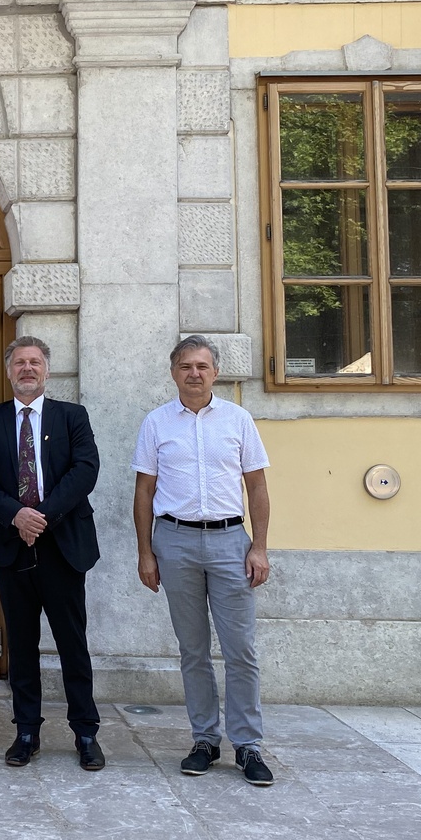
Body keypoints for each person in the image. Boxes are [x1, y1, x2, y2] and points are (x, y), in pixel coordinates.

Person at [132, 335, 274, 787]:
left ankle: (248, 745)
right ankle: (205, 741)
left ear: (215, 372)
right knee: (193, 650)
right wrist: (145, 552)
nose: (194, 373)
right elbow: (144, 492)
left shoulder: (239, 419)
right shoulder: (156, 423)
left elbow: (257, 487)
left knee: (241, 650)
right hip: (175, 542)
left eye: (202, 366)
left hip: (231, 541)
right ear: (173, 372)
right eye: (185, 366)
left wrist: (260, 547)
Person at [0, 336, 105, 770]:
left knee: (72, 644)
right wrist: (16, 516)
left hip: (62, 546)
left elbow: (86, 469)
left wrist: (40, 516)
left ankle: (85, 733)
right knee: (22, 646)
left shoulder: (71, 416)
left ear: (47, 370)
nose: (27, 369)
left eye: (35, 362)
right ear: (9, 371)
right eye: (20, 362)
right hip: (12, 547)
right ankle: (26, 732)